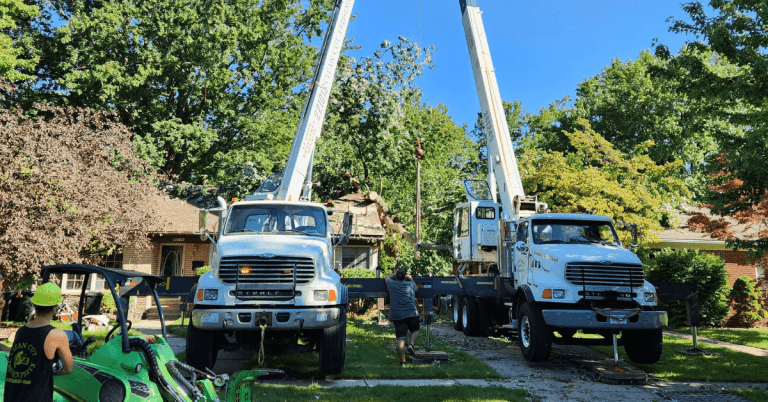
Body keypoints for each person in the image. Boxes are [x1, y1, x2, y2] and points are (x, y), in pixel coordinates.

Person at [4, 282, 74, 402]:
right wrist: (49, 373)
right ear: (54, 307)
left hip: (12, 396)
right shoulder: (56, 334)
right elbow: (68, 368)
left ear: (35, 305)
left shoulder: (21, 331)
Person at [384, 267, 419, 367]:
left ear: (396, 277)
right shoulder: (410, 285)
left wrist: (394, 274)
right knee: (415, 331)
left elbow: (386, 276)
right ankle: (411, 345)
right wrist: (410, 278)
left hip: (397, 315)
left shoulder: (392, 284)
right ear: (404, 277)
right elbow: (417, 289)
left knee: (401, 339)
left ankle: (403, 362)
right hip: (411, 313)